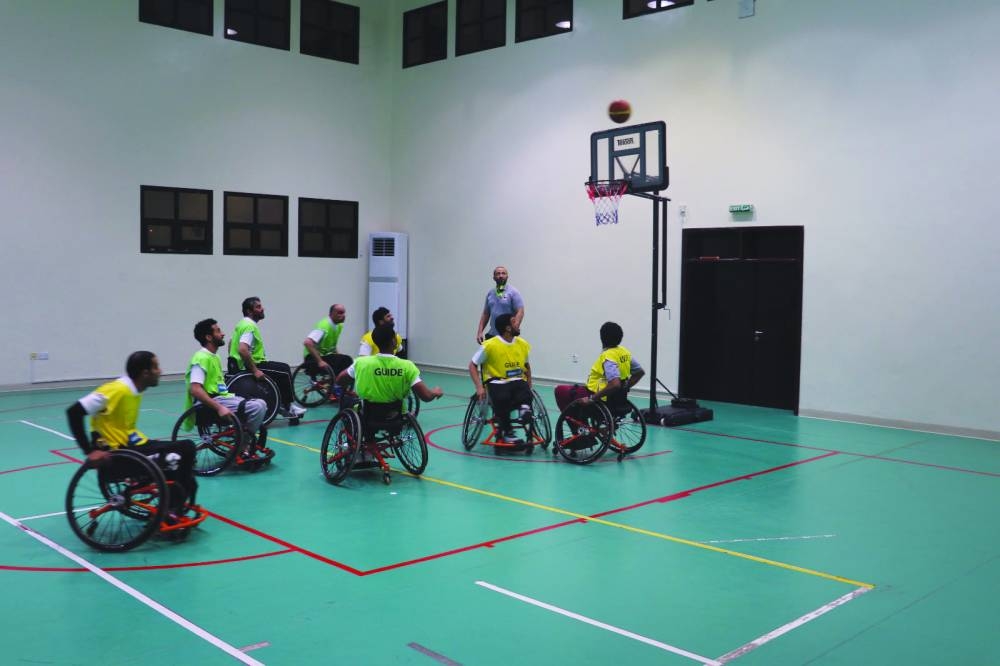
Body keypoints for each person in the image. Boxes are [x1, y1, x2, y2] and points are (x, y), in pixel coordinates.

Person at [66, 351, 199, 515]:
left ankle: (176, 503)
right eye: (156, 367)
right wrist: (89, 450)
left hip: (134, 445)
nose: (161, 371)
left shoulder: (134, 390)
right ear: (145, 373)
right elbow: (74, 412)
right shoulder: (116, 390)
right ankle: (169, 510)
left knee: (187, 447)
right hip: (116, 455)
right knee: (172, 457)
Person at [187, 318, 268, 460]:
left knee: (261, 403)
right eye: (218, 331)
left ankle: (244, 444)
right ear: (208, 337)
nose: (223, 334)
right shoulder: (200, 358)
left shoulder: (214, 356)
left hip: (221, 397)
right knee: (257, 408)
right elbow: (195, 390)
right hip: (209, 404)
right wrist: (219, 408)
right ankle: (240, 449)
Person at [337, 324, 443, 421]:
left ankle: (348, 441)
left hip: (367, 416)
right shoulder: (407, 366)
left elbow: (340, 380)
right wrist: (435, 392)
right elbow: (426, 396)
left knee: (347, 401)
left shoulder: (361, 363)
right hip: (395, 417)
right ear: (394, 341)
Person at [229, 296, 306, 418]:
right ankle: (289, 407)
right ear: (249, 311)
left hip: (239, 365)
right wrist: (255, 370)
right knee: (284, 370)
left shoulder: (241, 324)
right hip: (250, 366)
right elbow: (242, 349)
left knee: (279, 368)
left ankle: (280, 403)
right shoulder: (250, 326)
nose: (262, 308)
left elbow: (231, 343)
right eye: (258, 307)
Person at [469, 313, 533, 444]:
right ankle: (507, 432)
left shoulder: (523, 344)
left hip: (517, 380)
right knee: (502, 397)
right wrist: (479, 387)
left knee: (524, 389)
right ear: (508, 328)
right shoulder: (489, 345)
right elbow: (472, 366)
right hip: (497, 381)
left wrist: (529, 384)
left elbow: (527, 366)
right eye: (515, 322)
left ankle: (524, 410)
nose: (518, 324)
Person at [554, 321, 645, 412]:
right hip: (617, 399)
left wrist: (592, 399)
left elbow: (615, 384)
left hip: (599, 397)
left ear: (602, 338)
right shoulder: (624, 352)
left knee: (560, 390)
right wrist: (624, 388)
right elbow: (639, 373)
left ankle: (578, 426)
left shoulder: (608, 356)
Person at [476, 265, 525, 344]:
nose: (501, 276)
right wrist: (479, 332)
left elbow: (520, 311)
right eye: (498, 274)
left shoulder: (513, 292)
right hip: (492, 335)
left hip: (507, 336)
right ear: (494, 277)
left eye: (503, 273)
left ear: (507, 276)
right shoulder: (490, 294)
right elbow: (486, 314)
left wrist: (515, 327)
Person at [303, 303, 352, 377]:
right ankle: (336, 384)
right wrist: (320, 361)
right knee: (345, 360)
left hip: (324, 355)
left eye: (344, 313)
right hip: (312, 358)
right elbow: (307, 343)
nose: (343, 315)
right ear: (332, 313)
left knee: (345, 360)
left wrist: (338, 355)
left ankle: (337, 384)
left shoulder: (339, 326)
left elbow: (333, 345)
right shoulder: (324, 326)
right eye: (340, 313)